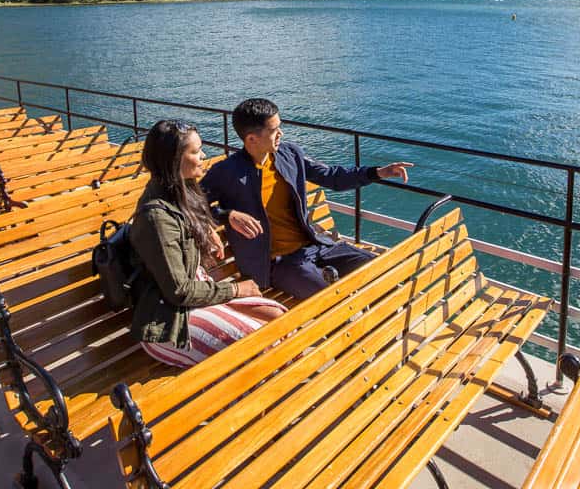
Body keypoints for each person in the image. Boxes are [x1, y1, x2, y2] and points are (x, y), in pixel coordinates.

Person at [201, 98, 413, 300]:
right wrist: (227, 216)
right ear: (252, 139)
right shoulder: (225, 172)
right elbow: (192, 205)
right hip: (278, 263)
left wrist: (378, 172)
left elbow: (332, 177)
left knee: (379, 267)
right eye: (274, 130)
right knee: (332, 296)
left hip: (315, 245)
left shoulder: (290, 154)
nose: (280, 134)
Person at [129, 119, 286, 367]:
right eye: (195, 152)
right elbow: (180, 292)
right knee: (263, 344)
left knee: (280, 318)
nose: (203, 155)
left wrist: (220, 219)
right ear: (174, 160)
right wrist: (236, 289)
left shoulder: (182, 190)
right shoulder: (155, 218)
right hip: (170, 318)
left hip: (197, 293)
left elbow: (200, 214)